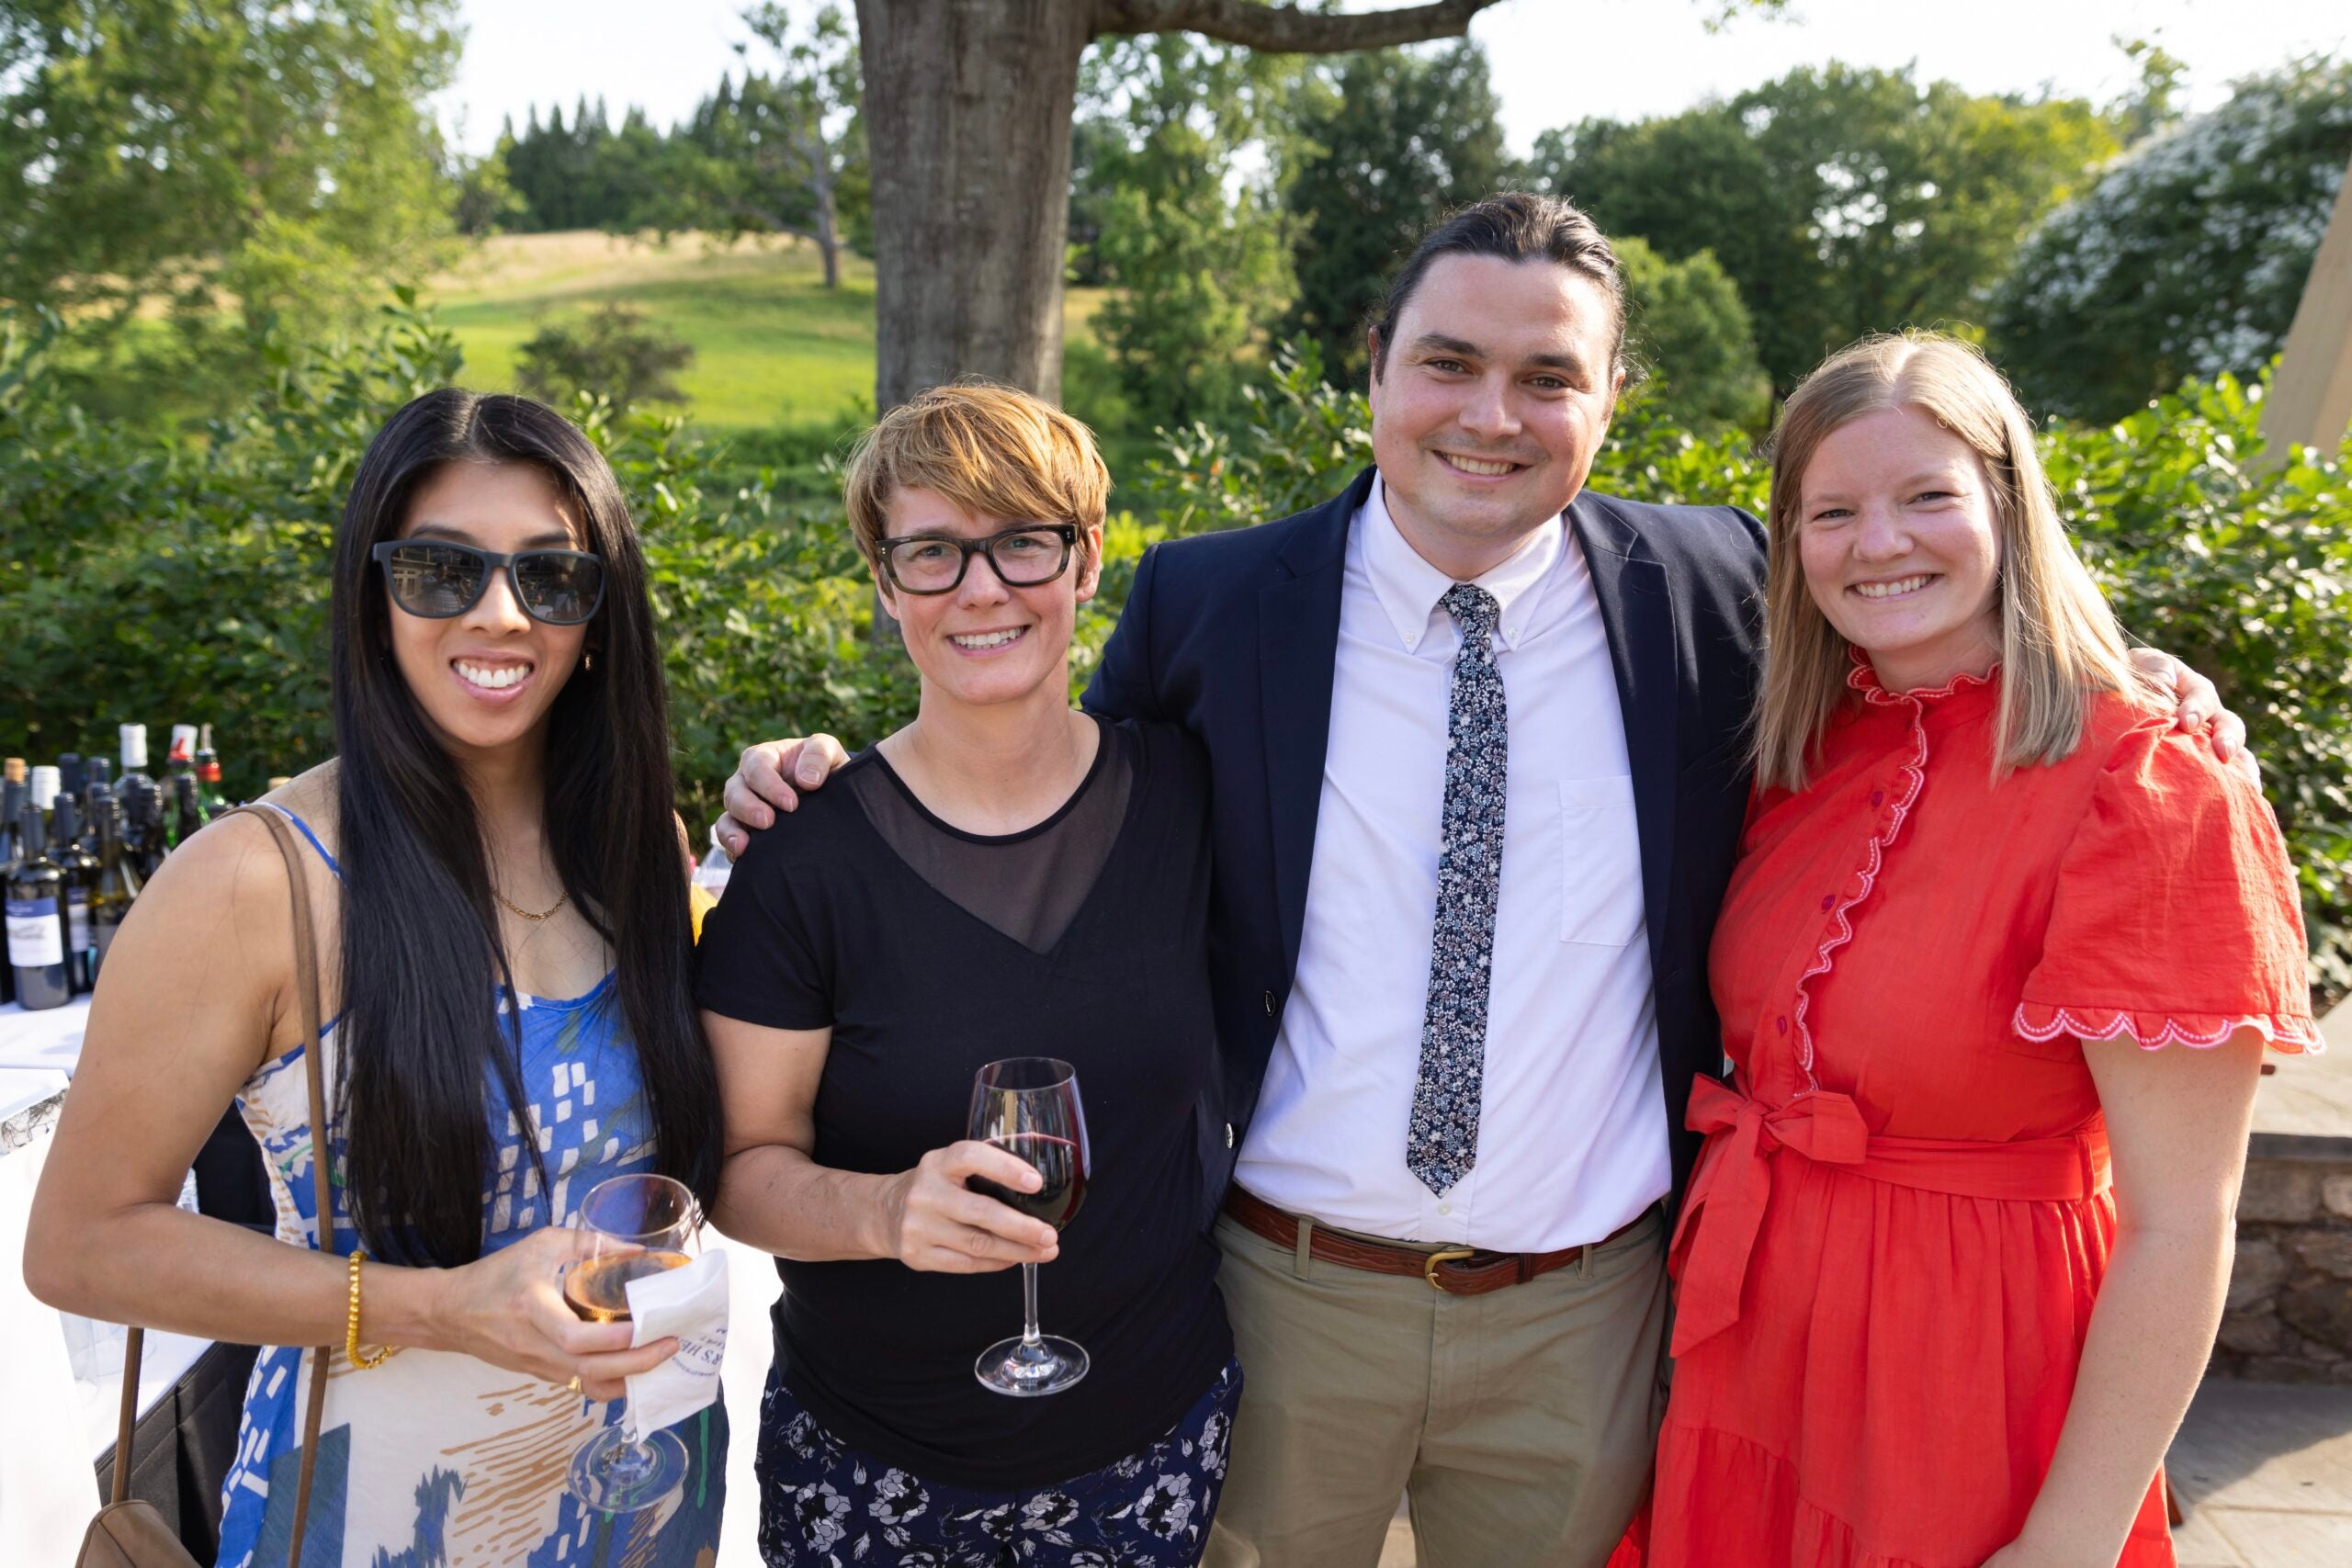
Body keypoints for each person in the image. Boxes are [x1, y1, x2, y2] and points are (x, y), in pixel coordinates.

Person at [715, 196, 2237, 1567]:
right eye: (1448, 362)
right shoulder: (1214, 598)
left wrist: (2130, 680)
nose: (1491, 415)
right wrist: (817, 778)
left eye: (1549, 376)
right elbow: (1052, 783)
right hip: (1284, 1293)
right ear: (1377, 367)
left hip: (1589, 1310)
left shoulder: (1717, 591)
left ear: (1612, 398)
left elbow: (1925, 647)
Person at [1635, 333, 2314, 1567]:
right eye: (1832, 511)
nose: (1878, 542)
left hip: (1970, 1381)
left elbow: (2182, 1223)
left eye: (1927, 496)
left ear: (2010, 504)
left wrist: (2070, 1538)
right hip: (1754, 1367)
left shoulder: (2147, 777)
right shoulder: (1802, 745)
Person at [26, 390, 729, 1564]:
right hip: (378, 1518)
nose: (500, 613)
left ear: (600, 615)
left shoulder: (640, 849)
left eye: (551, 576)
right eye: (441, 571)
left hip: (644, 1497)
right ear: (375, 596)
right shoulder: (257, 881)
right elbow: (79, 1245)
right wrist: (434, 1307)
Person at [695, 383, 1238, 1566]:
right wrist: (885, 1211)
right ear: (885, 584)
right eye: (933, 552)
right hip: (872, 1458)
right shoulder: (803, 858)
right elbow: (735, 1169)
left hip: (1153, 1436)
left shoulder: (1193, 797)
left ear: (1086, 560)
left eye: (1021, 542)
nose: (981, 589)